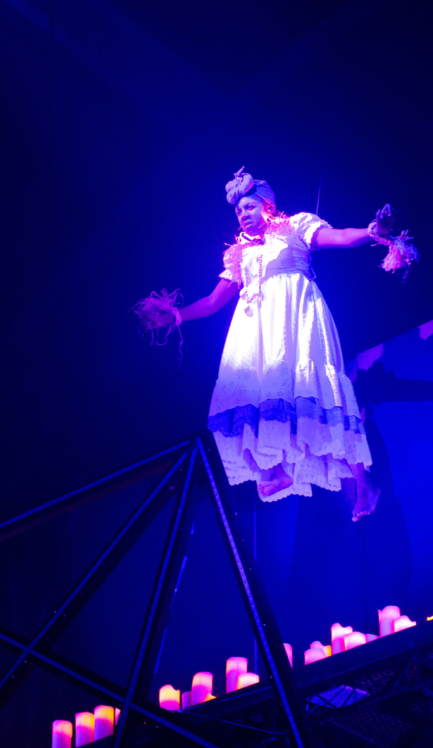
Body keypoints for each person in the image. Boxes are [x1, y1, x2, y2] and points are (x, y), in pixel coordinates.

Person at [138, 168, 414, 521]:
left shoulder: (295, 227)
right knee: (266, 393)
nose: (242, 214)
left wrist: (372, 232)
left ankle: (363, 482)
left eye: (249, 207)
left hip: (297, 319)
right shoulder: (239, 253)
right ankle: (279, 467)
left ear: (267, 205)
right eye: (238, 211)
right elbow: (212, 302)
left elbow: (339, 237)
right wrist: (175, 316)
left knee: (317, 390)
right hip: (257, 331)